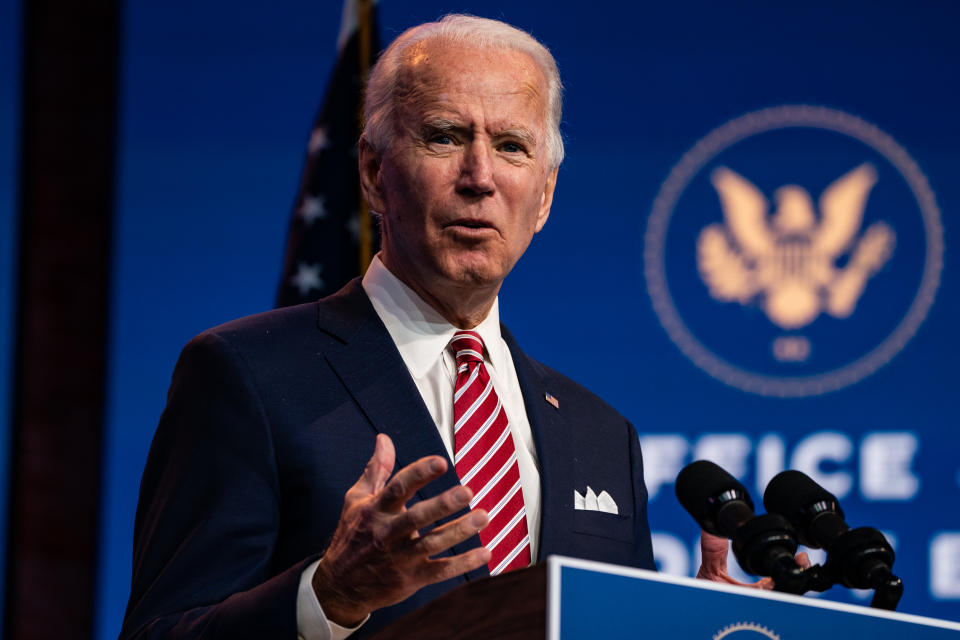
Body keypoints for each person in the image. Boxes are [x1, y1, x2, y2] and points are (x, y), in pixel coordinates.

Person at [120, 15, 750, 640]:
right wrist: (329, 598)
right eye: (445, 137)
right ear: (372, 172)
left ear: (546, 194)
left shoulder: (602, 433)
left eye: (511, 146)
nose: (480, 178)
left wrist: (698, 626)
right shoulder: (248, 373)